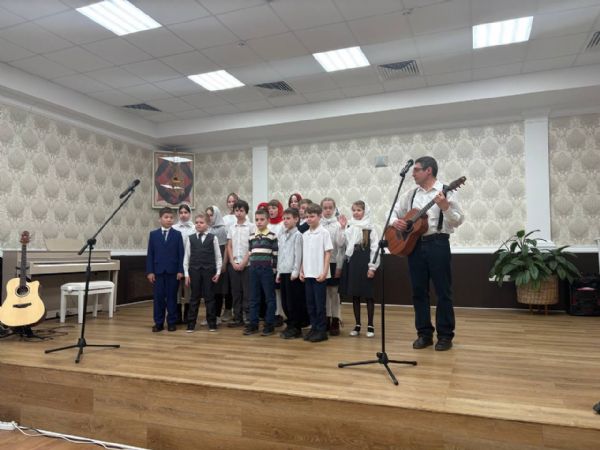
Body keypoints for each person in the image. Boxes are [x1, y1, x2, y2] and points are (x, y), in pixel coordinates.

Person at [391, 156, 464, 351]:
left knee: (443, 292)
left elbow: (458, 220)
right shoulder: (411, 194)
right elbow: (392, 213)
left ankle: (445, 336)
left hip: (438, 243)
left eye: (416, 170)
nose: (413, 174)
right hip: (414, 245)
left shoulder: (446, 191)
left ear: (428, 171)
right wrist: (396, 222)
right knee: (418, 292)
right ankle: (424, 334)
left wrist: (445, 207)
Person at [338, 201, 379, 338]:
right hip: (353, 262)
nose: (356, 213)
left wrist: (372, 267)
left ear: (365, 211)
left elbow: (374, 249)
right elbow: (341, 243)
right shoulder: (350, 226)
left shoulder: (370, 228)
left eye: (359, 210)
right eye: (354, 210)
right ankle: (357, 325)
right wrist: (342, 228)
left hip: (365, 263)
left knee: (368, 295)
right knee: (355, 295)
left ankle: (370, 325)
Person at [146, 207, 184, 332]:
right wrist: (150, 271)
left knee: (172, 298)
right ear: (160, 219)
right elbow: (150, 254)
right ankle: (158, 323)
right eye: (166, 217)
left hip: (173, 272)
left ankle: (172, 322)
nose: (169, 220)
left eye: (171, 217)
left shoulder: (177, 235)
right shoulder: (153, 235)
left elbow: (181, 254)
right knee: (158, 299)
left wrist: (180, 270)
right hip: (158, 272)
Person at [183, 213, 222, 333]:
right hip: (194, 271)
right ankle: (191, 324)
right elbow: (186, 257)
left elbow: (218, 256)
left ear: (207, 224)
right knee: (194, 297)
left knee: (209, 297)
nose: (198, 224)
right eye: (197, 222)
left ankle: (212, 323)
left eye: (201, 222)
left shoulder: (213, 238)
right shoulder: (190, 238)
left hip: (209, 271)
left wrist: (218, 272)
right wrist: (186, 274)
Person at [300, 203, 333, 343]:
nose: (309, 219)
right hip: (308, 273)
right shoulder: (305, 234)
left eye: (312, 216)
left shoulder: (324, 232)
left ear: (320, 217)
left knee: (320, 304)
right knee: (310, 303)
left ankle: (321, 330)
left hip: (319, 274)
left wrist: (324, 271)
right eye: (307, 216)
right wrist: (302, 270)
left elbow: (328, 253)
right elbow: (304, 254)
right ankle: (314, 328)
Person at [244, 208, 278, 336]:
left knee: (269, 298)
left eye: (262, 219)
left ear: (268, 220)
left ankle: (269, 324)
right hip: (253, 269)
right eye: (257, 220)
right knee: (253, 298)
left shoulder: (272, 236)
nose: (259, 222)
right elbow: (250, 252)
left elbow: (275, 255)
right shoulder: (251, 236)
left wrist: (273, 270)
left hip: (266, 270)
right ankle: (253, 324)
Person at [276, 207, 308, 339]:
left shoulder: (298, 235)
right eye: (284, 218)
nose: (285, 221)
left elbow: (298, 255)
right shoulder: (282, 235)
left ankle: (296, 327)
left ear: (296, 219)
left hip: (292, 274)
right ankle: (290, 324)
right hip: (283, 271)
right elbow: (280, 254)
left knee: (293, 302)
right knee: (285, 302)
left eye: (288, 218)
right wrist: (278, 272)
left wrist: (295, 271)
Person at [226, 199, 255, 327]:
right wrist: (232, 262)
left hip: (247, 265)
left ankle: (248, 317)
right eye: (236, 210)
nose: (238, 213)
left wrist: (244, 262)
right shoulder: (232, 227)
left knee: (247, 292)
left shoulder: (251, 227)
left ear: (246, 212)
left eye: (241, 210)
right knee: (235, 292)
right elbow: (229, 246)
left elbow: (252, 246)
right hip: (234, 264)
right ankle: (237, 317)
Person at [320, 197, 344, 336]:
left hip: (334, 262)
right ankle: (326, 318)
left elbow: (340, 245)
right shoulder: (318, 224)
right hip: (322, 263)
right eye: (325, 208)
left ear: (334, 209)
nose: (328, 210)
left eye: (330, 208)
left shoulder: (338, 224)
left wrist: (342, 228)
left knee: (334, 293)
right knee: (324, 292)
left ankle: (336, 319)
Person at [172, 204, 195, 324]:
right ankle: (177, 315)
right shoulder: (174, 228)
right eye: (181, 212)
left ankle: (187, 315)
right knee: (176, 289)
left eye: (186, 212)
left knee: (188, 289)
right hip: (176, 262)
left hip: (190, 262)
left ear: (190, 214)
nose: (183, 215)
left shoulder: (194, 228)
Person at [206, 205, 229, 323]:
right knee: (209, 290)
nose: (210, 217)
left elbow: (225, 248)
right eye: (208, 215)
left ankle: (217, 316)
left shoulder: (222, 229)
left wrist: (223, 264)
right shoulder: (207, 229)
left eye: (212, 215)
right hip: (208, 263)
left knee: (218, 290)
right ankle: (209, 316)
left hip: (219, 263)